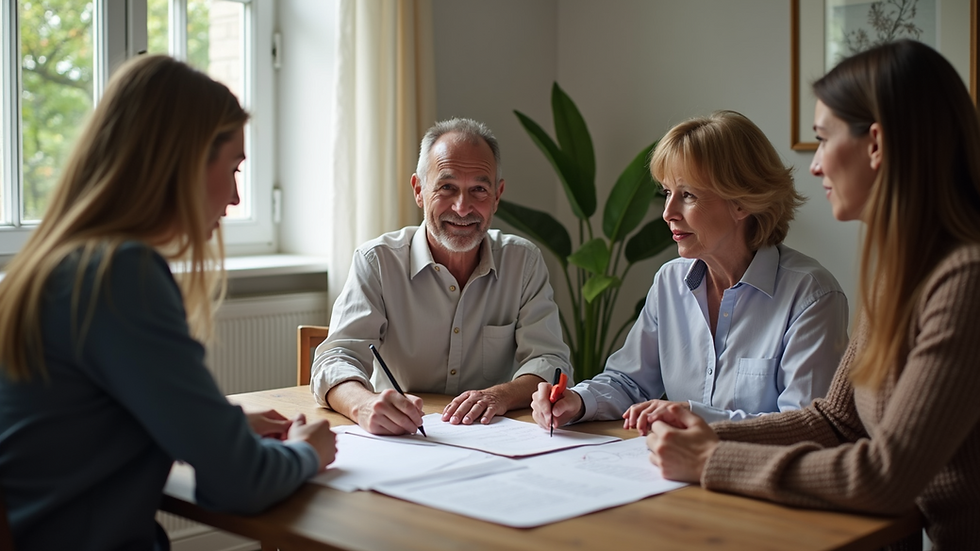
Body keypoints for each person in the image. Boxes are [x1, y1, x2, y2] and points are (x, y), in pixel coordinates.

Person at [645, 40, 980, 549]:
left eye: (822, 139)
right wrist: (707, 432)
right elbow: (837, 420)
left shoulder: (965, 281)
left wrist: (712, 460)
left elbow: (885, 475)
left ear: (876, 144)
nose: (816, 165)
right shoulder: (902, 271)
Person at [0, 55, 336, 551]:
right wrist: (308, 452)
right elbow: (238, 482)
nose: (237, 198)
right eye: (234, 167)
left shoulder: (51, 265)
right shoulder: (120, 275)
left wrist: (221, 425)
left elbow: (83, 424)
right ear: (184, 160)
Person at [531, 111, 848, 432]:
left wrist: (695, 416)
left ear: (741, 202)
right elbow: (629, 382)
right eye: (667, 193)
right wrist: (577, 400)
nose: (668, 213)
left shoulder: (811, 294)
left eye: (688, 195)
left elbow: (805, 426)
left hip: (758, 479)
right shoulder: (670, 281)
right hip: (675, 472)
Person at [311, 117, 572, 435]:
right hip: (402, 437)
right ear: (419, 190)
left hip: (495, 438)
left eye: (479, 189)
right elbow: (336, 359)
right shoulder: (377, 261)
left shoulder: (524, 262)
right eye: (447, 188)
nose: (463, 208)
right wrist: (363, 404)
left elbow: (550, 361)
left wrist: (498, 396)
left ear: (497, 196)